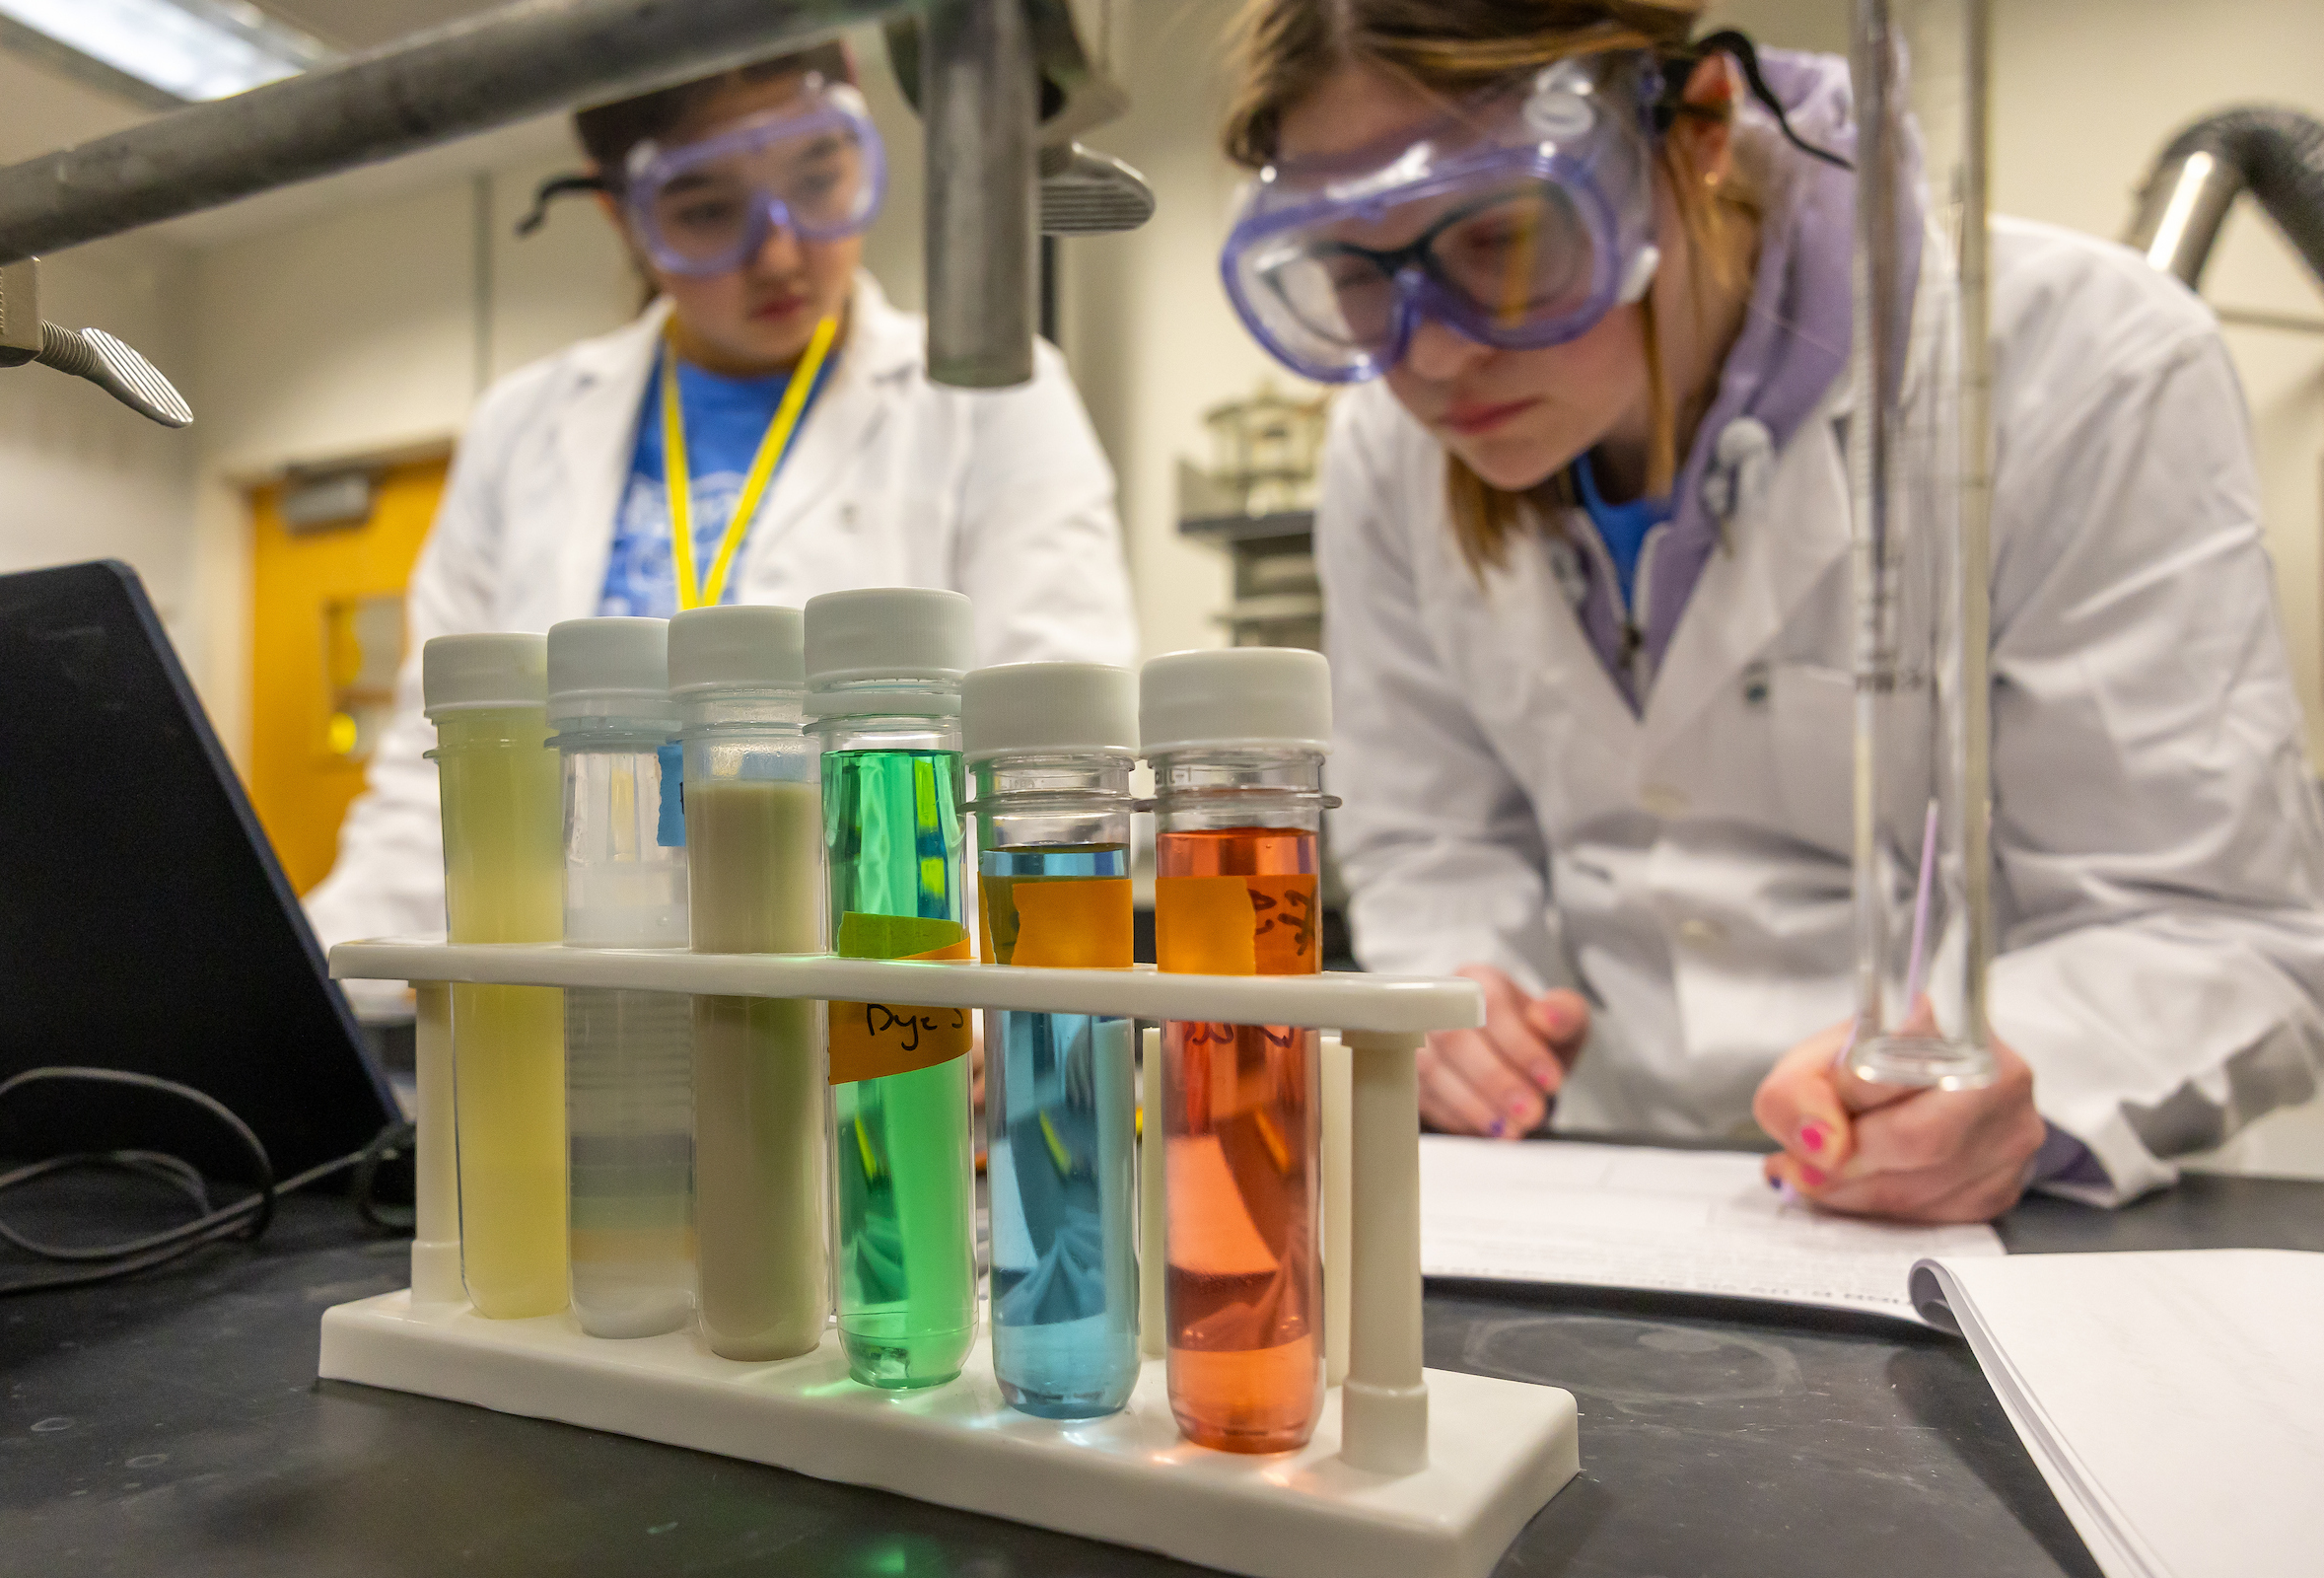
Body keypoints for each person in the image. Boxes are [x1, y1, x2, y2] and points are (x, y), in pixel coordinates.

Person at [1217, 0, 2324, 1220]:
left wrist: (2015, 1084)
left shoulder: (2084, 361)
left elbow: (2206, 926)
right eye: (1348, 274)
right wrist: (1462, 1008)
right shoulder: (1387, 451)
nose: (1427, 358)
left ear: (1692, 133)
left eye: (1501, 240)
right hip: (1591, 1203)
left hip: (1985, 1227)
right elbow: (1436, 841)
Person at [307, 43, 1136, 969]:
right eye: (707, 211)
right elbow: (440, 784)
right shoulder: (522, 428)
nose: (779, 252)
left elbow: (1060, 737)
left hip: (881, 1003)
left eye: (818, 177)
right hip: (581, 1008)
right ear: (624, 215)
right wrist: (317, 969)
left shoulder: (993, 392)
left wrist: (969, 978)